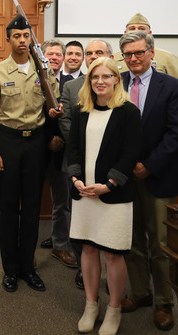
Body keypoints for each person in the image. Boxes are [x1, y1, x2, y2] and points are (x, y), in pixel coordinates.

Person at [65, 57, 141, 335]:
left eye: (106, 76)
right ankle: (91, 304)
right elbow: (72, 149)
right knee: (87, 248)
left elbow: (131, 152)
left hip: (113, 195)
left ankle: (114, 309)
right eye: (95, 77)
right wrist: (76, 179)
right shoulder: (81, 110)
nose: (100, 81)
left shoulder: (128, 112)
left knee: (112, 254)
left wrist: (108, 185)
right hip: (84, 193)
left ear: (116, 79)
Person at [0, 15, 58, 293]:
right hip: (9, 143)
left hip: (36, 143)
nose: (22, 40)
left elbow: (53, 105)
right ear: (9, 39)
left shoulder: (43, 70)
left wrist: (53, 111)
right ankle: (10, 270)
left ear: (31, 39)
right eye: (17, 36)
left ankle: (28, 267)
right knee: (9, 208)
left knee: (32, 209)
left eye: (26, 36)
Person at [118, 30, 178, 331]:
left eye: (139, 53)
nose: (133, 58)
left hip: (157, 177)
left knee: (159, 244)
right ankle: (140, 292)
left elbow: (176, 133)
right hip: (123, 178)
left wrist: (149, 165)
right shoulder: (115, 82)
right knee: (131, 241)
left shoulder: (171, 86)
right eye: (128, 54)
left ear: (151, 53)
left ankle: (163, 302)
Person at [59, 39, 114, 290]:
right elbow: (66, 122)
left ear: (110, 56)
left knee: (110, 220)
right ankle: (84, 269)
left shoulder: (116, 83)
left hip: (111, 166)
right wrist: (85, 147)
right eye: (89, 53)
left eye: (98, 52)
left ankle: (113, 271)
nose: (92, 57)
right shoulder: (71, 87)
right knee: (80, 219)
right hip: (79, 163)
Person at [40, 39, 77, 269]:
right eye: (49, 54)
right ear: (41, 56)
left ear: (62, 59)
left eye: (57, 55)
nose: (53, 58)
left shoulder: (71, 84)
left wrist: (60, 140)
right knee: (32, 200)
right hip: (35, 148)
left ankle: (60, 244)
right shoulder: (32, 79)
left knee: (62, 201)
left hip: (60, 151)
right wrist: (46, 139)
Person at [113, 13, 178, 80]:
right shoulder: (113, 59)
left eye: (141, 29)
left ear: (150, 33)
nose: (136, 31)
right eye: (132, 28)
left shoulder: (167, 58)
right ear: (125, 33)